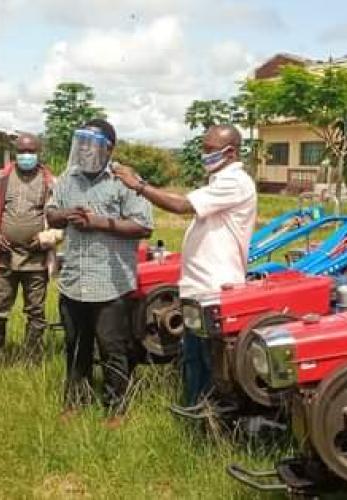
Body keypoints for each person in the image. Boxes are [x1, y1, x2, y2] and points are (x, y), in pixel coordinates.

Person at [113, 125, 256, 407]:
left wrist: (139, 186)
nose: (205, 155)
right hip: (197, 288)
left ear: (232, 152)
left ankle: (211, 419)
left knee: (211, 364)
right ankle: (195, 413)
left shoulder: (235, 182)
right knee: (193, 359)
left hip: (215, 289)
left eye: (211, 150)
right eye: (204, 148)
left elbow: (180, 205)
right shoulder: (217, 182)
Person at [46, 119, 153, 426]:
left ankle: (115, 408)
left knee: (112, 349)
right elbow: (51, 215)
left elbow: (143, 225)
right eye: (82, 144)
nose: (86, 151)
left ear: (109, 149)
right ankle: (75, 401)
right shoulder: (69, 176)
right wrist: (67, 215)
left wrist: (99, 223)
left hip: (110, 284)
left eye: (92, 145)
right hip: (73, 283)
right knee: (76, 346)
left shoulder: (124, 180)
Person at [0, 133, 61, 364]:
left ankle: (32, 359)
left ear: (39, 153)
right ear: (15, 154)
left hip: (36, 260)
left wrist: (46, 237)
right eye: (22, 152)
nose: (26, 156)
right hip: (4, 258)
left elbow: (64, 220)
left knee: (36, 312)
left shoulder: (52, 182)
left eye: (31, 152)